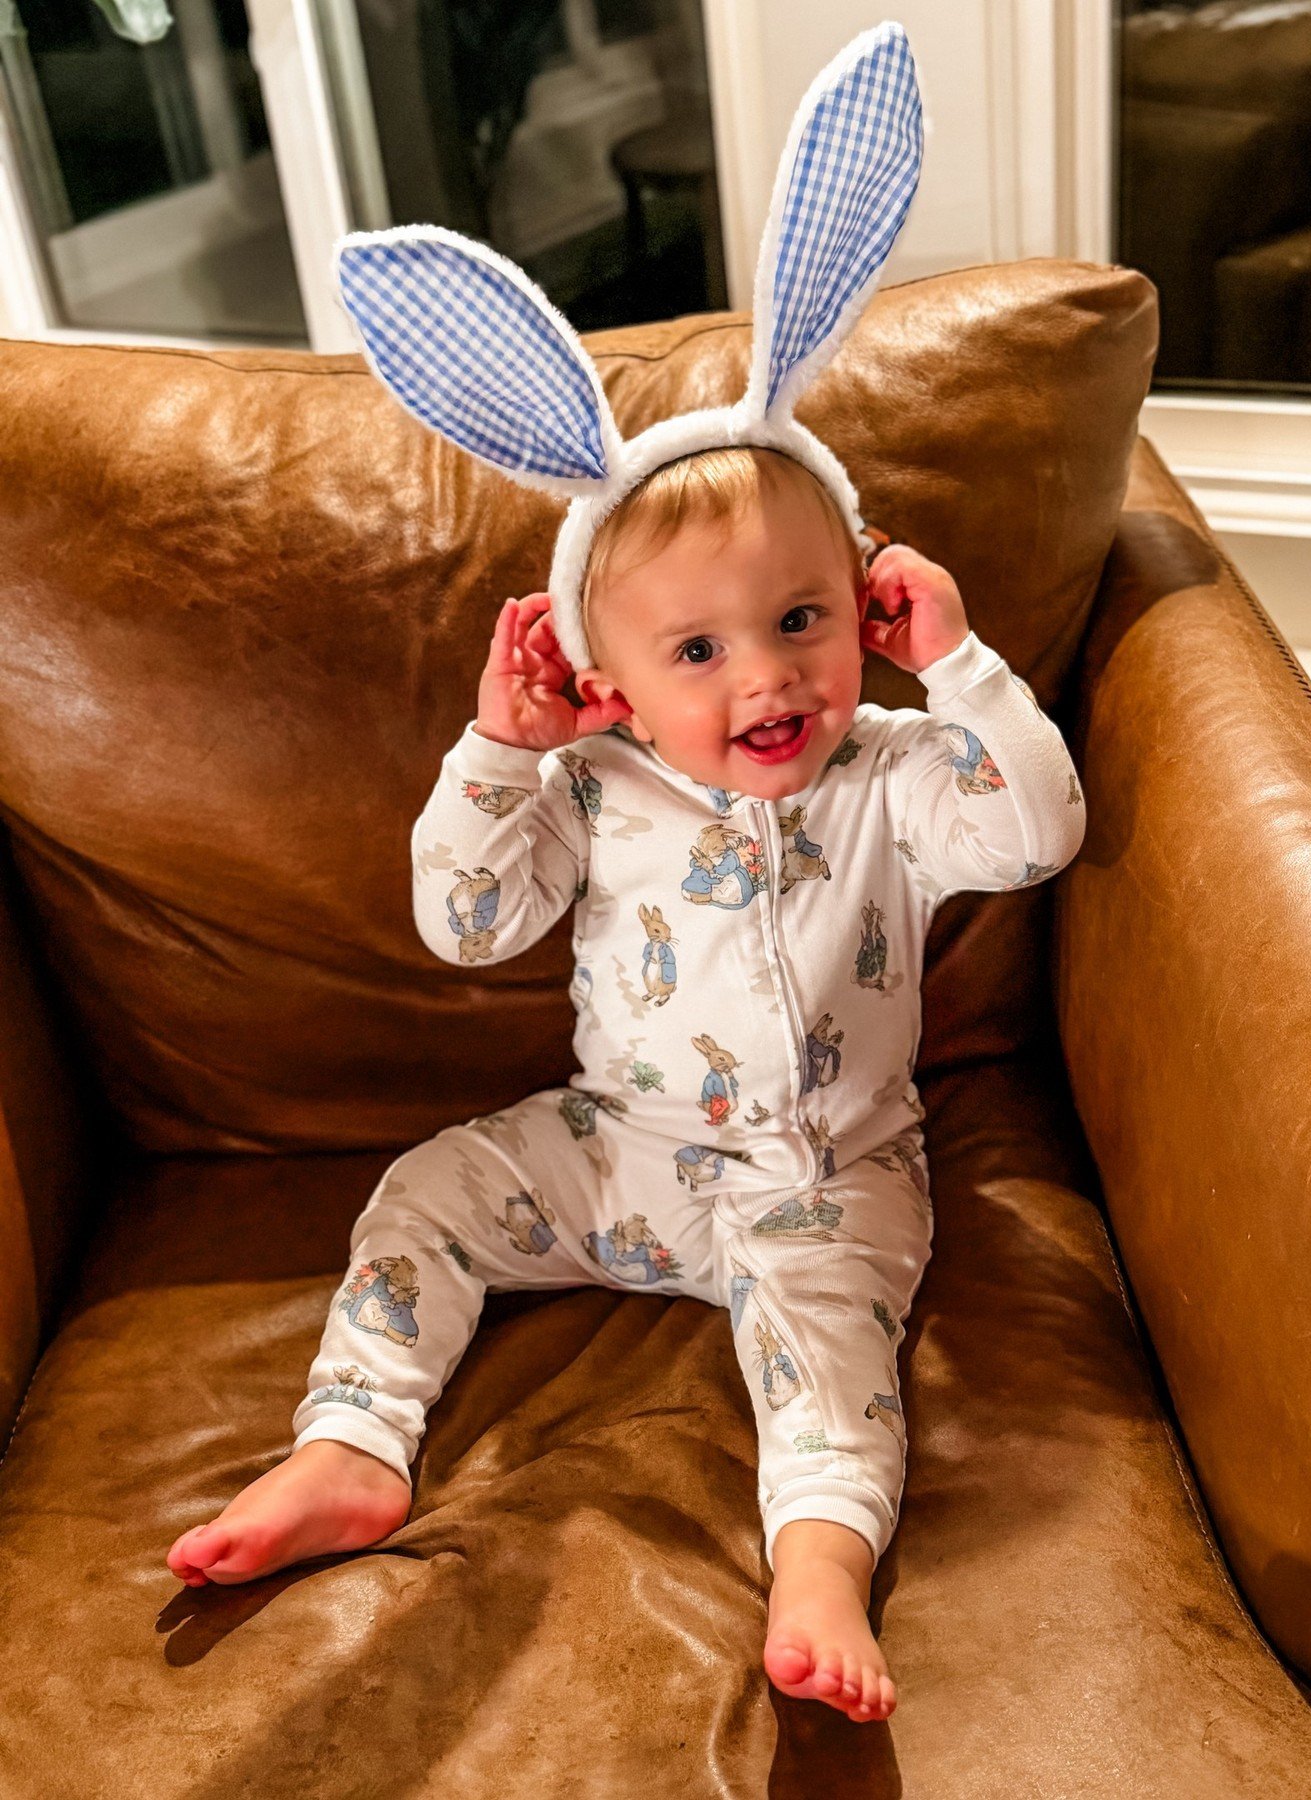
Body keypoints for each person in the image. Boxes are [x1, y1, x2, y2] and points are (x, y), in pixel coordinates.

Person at [166, 443, 1087, 1726]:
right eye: (698, 652)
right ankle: (353, 1445)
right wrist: (500, 748)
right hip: (621, 1157)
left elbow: (1038, 834)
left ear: (864, 608)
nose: (767, 673)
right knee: (429, 1192)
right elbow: (468, 922)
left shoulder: (895, 770)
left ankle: (819, 1569)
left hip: (826, 1174)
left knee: (829, 1354)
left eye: (801, 619)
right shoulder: (589, 789)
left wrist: (958, 664)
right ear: (613, 683)